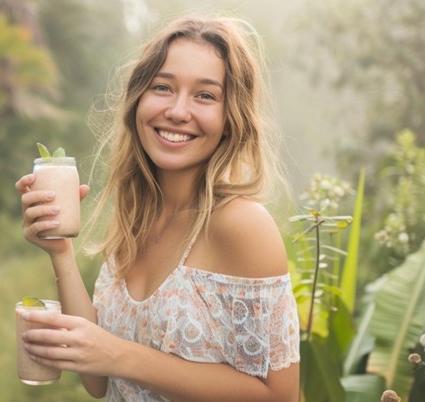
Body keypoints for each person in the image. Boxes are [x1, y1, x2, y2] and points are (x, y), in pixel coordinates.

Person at [15, 13, 300, 402]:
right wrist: (60, 252)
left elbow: (278, 397)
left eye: (205, 95)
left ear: (229, 119)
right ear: (138, 102)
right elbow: (99, 382)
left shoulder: (240, 224)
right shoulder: (138, 217)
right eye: (163, 87)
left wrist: (120, 356)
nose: (178, 111)